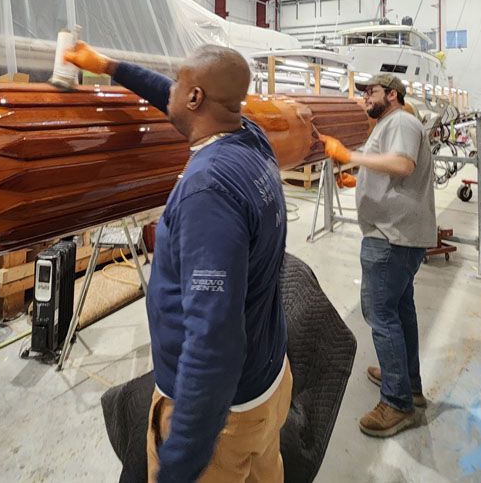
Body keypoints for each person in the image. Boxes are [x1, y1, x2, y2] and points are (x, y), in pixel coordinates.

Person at [64, 41, 292, 483]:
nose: (169, 91)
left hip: (228, 418)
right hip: (269, 382)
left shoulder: (207, 190)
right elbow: (173, 93)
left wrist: (182, 462)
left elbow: (214, 345)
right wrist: (111, 66)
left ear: (195, 99)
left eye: (179, 85)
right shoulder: (251, 136)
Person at [320, 73, 436, 439]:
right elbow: (393, 171)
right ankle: (405, 381)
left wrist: (349, 155)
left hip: (391, 237)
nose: (363, 98)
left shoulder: (400, 120)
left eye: (369, 92)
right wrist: (361, 179)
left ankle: (397, 403)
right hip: (397, 234)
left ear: (392, 94)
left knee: (380, 314)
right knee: (401, 311)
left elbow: (403, 165)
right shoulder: (390, 124)